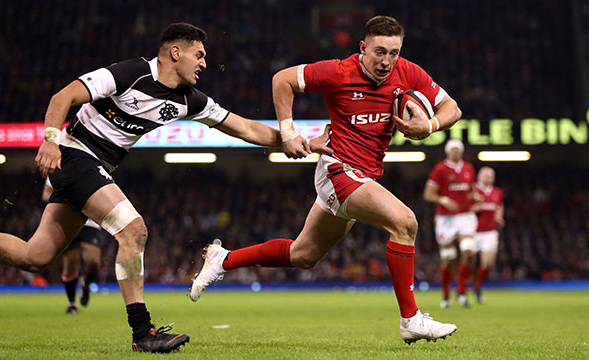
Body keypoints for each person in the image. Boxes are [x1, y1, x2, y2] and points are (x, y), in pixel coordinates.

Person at [0, 22, 328, 353]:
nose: (204, 64)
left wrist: (297, 140)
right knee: (134, 230)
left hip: (94, 168)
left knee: (33, 257)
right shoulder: (129, 73)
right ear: (174, 52)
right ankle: (142, 331)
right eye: (199, 55)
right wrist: (50, 138)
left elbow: (246, 128)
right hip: (75, 155)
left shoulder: (189, 100)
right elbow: (62, 97)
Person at [190, 15, 462, 344]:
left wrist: (429, 127)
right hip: (338, 170)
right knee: (405, 223)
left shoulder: (409, 72)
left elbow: (451, 108)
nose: (386, 61)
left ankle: (223, 259)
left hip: (365, 174)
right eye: (379, 52)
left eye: (393, 52)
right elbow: (282, 80)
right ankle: (411, 320)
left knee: (303, 255)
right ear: (363, 47)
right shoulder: (338, 71)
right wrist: (289, 134)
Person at [423, 139, 481, 308]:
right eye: (452, 149)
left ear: (461, 151)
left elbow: (469, 189)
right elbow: (428, 194)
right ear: (448, 152)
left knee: (469, 251)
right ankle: (446, 295)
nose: (455, 152)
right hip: (446, 218)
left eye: (458, 149)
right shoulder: (440, 169)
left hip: (465, 216)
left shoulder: (468, 168)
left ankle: (461, 292)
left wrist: (475, 196)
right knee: (448, 258)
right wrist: (443, 199)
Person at [42, 179, 106, 314]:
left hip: (90, 221)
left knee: (93, 261)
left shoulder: (89, 165)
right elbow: (46, 194)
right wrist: (64, 202)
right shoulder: (57, 168)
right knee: (71, 262)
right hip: (68, 221)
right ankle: (72, 303)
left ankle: (86, 284)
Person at [471, 166, 504, 304]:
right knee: (468, 263)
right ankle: (461, 288)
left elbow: (499, 206)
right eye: (485, 175)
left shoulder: (497, 192)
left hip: (489, 232)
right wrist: (475, 208)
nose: (488, 177)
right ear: (479, 176)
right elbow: (464, 208)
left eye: (490, 175)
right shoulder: (472, 190)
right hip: (472, 231)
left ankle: (477, 288)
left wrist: (499, 217)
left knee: (488, 264)